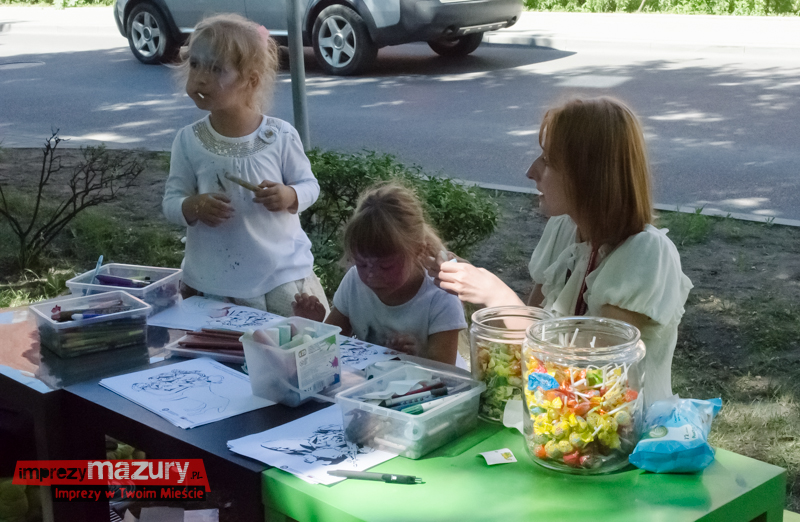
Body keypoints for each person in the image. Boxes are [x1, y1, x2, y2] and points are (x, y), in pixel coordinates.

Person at [432, 97, 693, 406]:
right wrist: (468, 281)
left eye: (548, 160)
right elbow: (529, 339)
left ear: (589, 176)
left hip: (622, 428)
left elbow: (588, 370)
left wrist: (498, 297)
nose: (531, 171)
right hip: (558, 419)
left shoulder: (646, 253)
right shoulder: (563, 229)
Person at [162, 14, 328, 318]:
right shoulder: (189, 140)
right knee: (223, 348)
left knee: (293, 342)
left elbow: (309, 186)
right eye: (195, 64)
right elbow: (171, 201)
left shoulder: (279, 136)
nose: (200, 78)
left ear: (250, 80)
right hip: (215, 281)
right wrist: (193, 206)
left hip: (281, 276)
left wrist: (289, 195)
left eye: (216, 69)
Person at [292, 183, 467, 365]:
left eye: (386, 266)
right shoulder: (354, 281)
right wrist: (310, 327)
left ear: (418, 251)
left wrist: (416, 358)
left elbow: (445, 373)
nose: (371, 275)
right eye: (361, 264)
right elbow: (329, 351)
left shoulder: (440, 296)